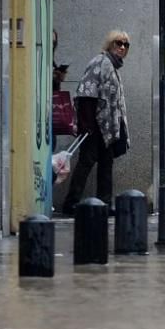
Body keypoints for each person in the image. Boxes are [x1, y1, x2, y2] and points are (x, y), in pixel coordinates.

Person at [62, 30, 131, 215]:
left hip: (107, 128)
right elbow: (86, 92)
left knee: (106, 163)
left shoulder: (113, 67)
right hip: (95, 125)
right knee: (86, 161)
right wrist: (87, 124)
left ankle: (104, 202)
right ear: (110, 44)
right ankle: (71, 202)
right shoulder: (100, 63)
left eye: (126, 44)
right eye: (119, 43)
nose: (122, 47)